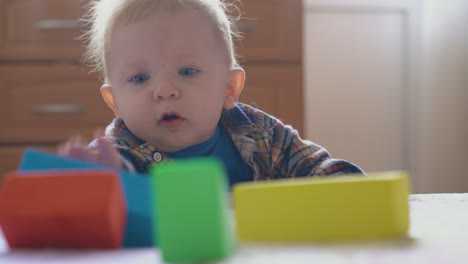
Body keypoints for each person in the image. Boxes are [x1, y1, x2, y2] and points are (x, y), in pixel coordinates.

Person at [58, 0, 364, 186]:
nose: (164, 91)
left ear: (229, 88)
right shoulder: (118, 155)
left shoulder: (261, 135)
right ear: (115, 103)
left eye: (187, 71)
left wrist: (345, 185)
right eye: (139, 78)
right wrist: (103, 184)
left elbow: (316, 168)